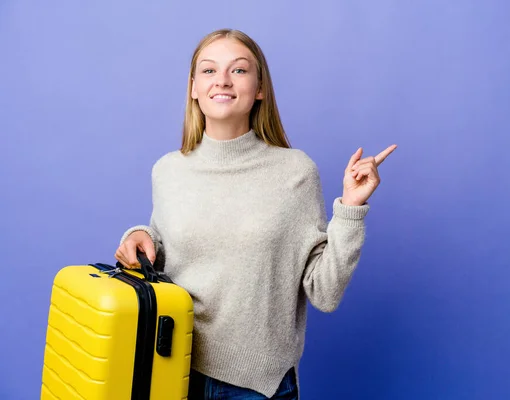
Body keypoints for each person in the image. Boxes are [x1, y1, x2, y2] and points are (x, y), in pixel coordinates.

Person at [114, 28, 396, 399]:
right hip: (171, 371)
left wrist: (350, 209)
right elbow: (164, 248)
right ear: (193, 88)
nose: (224, 81)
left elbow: (324, 292)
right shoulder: (167, 170)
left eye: (240, 70)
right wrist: (139, 236)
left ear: (260, 88)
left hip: (256, 387)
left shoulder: (295, 172)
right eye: (210, 71)